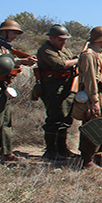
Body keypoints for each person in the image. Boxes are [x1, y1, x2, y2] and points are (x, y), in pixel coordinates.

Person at [0, 19, 37, 162]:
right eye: (13, 32)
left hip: (3, 83)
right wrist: (21, 61)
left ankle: (5, 152)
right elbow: (1, 62)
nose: (15, 36)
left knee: (5, 121)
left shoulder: (3, 46)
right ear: (3, 31)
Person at [36, 24, 80, 161]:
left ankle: (62, 148)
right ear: (51, 38)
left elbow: (68, 61)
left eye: (65, 39)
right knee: (54, 119)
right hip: (52, 88)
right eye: (60, 39)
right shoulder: (45, 50)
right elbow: (60, 64)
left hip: (65, 87)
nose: (64, 42)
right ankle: (51, 150)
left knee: (65, 118)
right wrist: (78, 60)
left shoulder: (64, 50)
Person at [77, 26, 102, 169]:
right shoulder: (88, 55)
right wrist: (94, 100)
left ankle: (97, 155)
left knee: (101, 125)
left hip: (100, 93)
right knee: (92, 125)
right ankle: (87, 159)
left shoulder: (95, 54)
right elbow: (90, 80)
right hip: (93, 94)